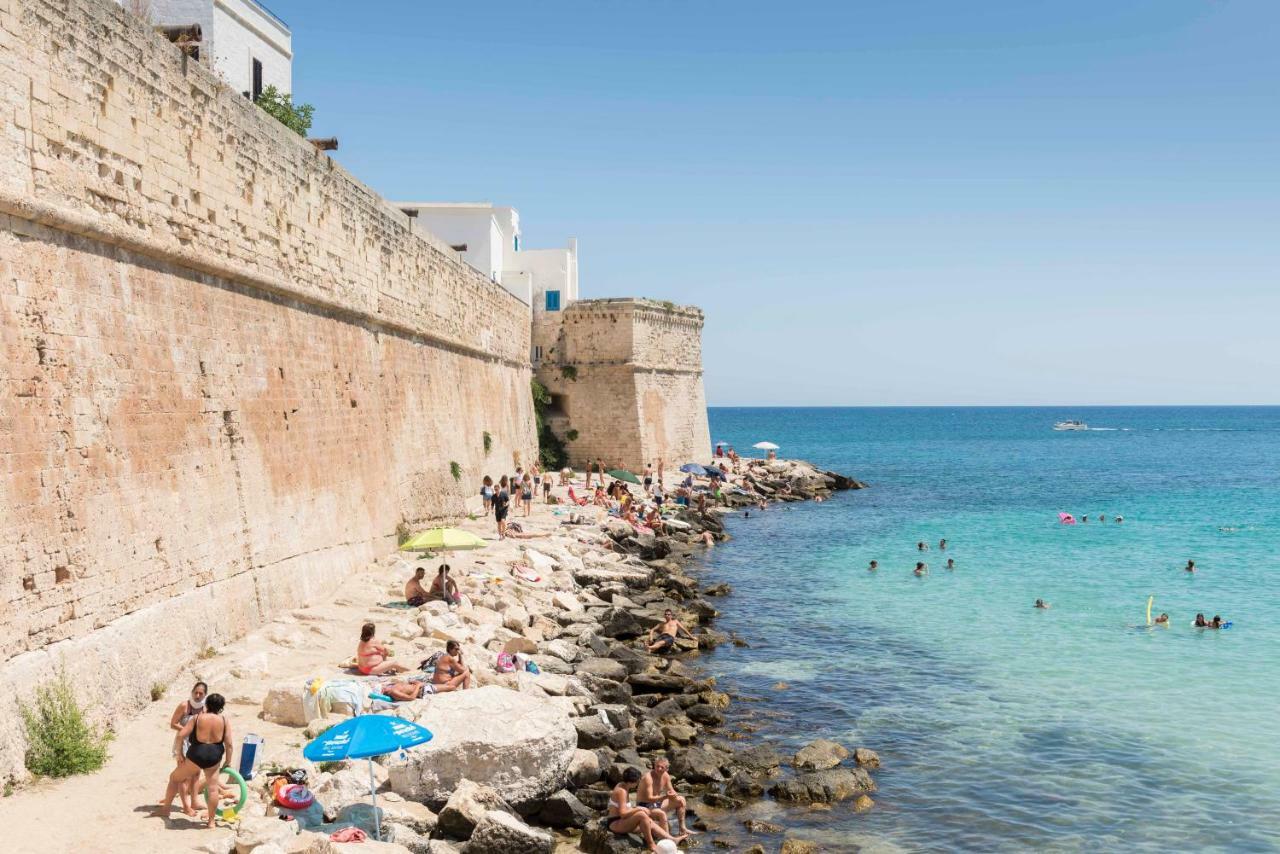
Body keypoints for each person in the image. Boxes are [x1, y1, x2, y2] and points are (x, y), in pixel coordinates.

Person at [160, 693, 233, 828]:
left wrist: (179, 753)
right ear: (221, 708)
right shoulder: (224, 720)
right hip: (214, 755)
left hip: (196, 754)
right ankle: (211, 822)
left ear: (206, 704)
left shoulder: (197, 718)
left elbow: (181, 735)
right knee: (212, 789)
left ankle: (165, 810)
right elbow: (229, 744)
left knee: (174, 778)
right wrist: (228, 762)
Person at [603, 766, 685, 851]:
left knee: (650, 822)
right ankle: (651, 844)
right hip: (615, 823)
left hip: (623, 821)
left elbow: (624, 809)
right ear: (632, 782)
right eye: (637, 781)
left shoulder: (623, 785)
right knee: (641, 815)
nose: (638, 783)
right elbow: (623, 814)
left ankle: (671, 840)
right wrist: (639, 808)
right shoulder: (621, 791)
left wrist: (638, 808)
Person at [169, 681, 208, 815]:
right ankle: (186, 806)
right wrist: (187, 730)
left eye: (200, 693)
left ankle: (194, 802)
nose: (197, 695)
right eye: (195, 692)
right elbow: (173, 724)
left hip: (197, 744)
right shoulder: (184, 706)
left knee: (196, 774)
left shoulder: (204, 708)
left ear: (205, 695)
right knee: (184, 776)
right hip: (183, 743)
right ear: (192, 692)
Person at [636, 756, 695, 837]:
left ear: (666, 769)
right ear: (654, 765)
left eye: (662, 767)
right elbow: (649, 798)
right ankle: (668, 838)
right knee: (662, 813)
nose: (659, 769)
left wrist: (674, 795)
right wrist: (666, 796)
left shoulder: (666, 776)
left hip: (656, 804)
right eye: (657, 766)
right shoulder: (648, 778)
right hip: (644, 806)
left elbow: (671, 790)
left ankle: (682, 828)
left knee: (681, 800)